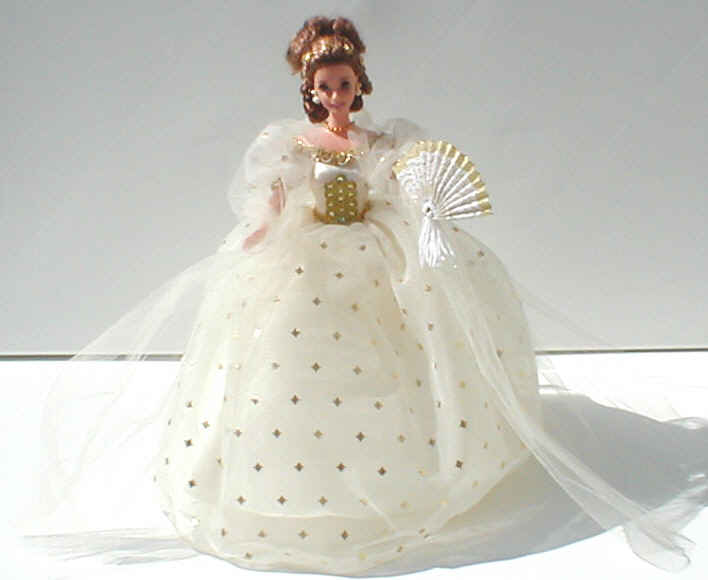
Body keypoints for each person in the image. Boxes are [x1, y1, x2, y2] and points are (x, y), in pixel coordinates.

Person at [19, 15, 708, 577]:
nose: (336, 95)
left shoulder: (384, 139)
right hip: (309, 247)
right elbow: (274, 191)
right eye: (325, 85)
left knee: (408, 329)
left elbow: (402, 181)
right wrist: (263, 224)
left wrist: (426, 213)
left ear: (359, 83)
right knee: (292, 337)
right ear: (309, 88)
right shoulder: (291, 141)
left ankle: (416, 455)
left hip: (378, 243)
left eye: (345, 83)